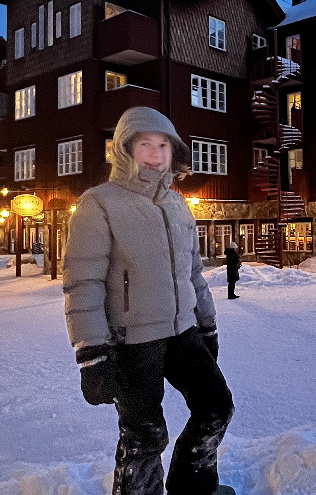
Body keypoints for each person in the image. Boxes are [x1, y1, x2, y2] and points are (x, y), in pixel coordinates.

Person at [63, 106, 234, 495]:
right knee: (145, 435)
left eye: (164, 145)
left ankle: (194, 487)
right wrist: (91, 352)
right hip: (131, 340)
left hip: (183, 331)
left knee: (216, 407)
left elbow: (194, 274)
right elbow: (83, 281)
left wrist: (207, 325)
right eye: (145, 144)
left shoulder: (178, 205)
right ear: (125, 149)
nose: (156, 153)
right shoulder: (100, 203)